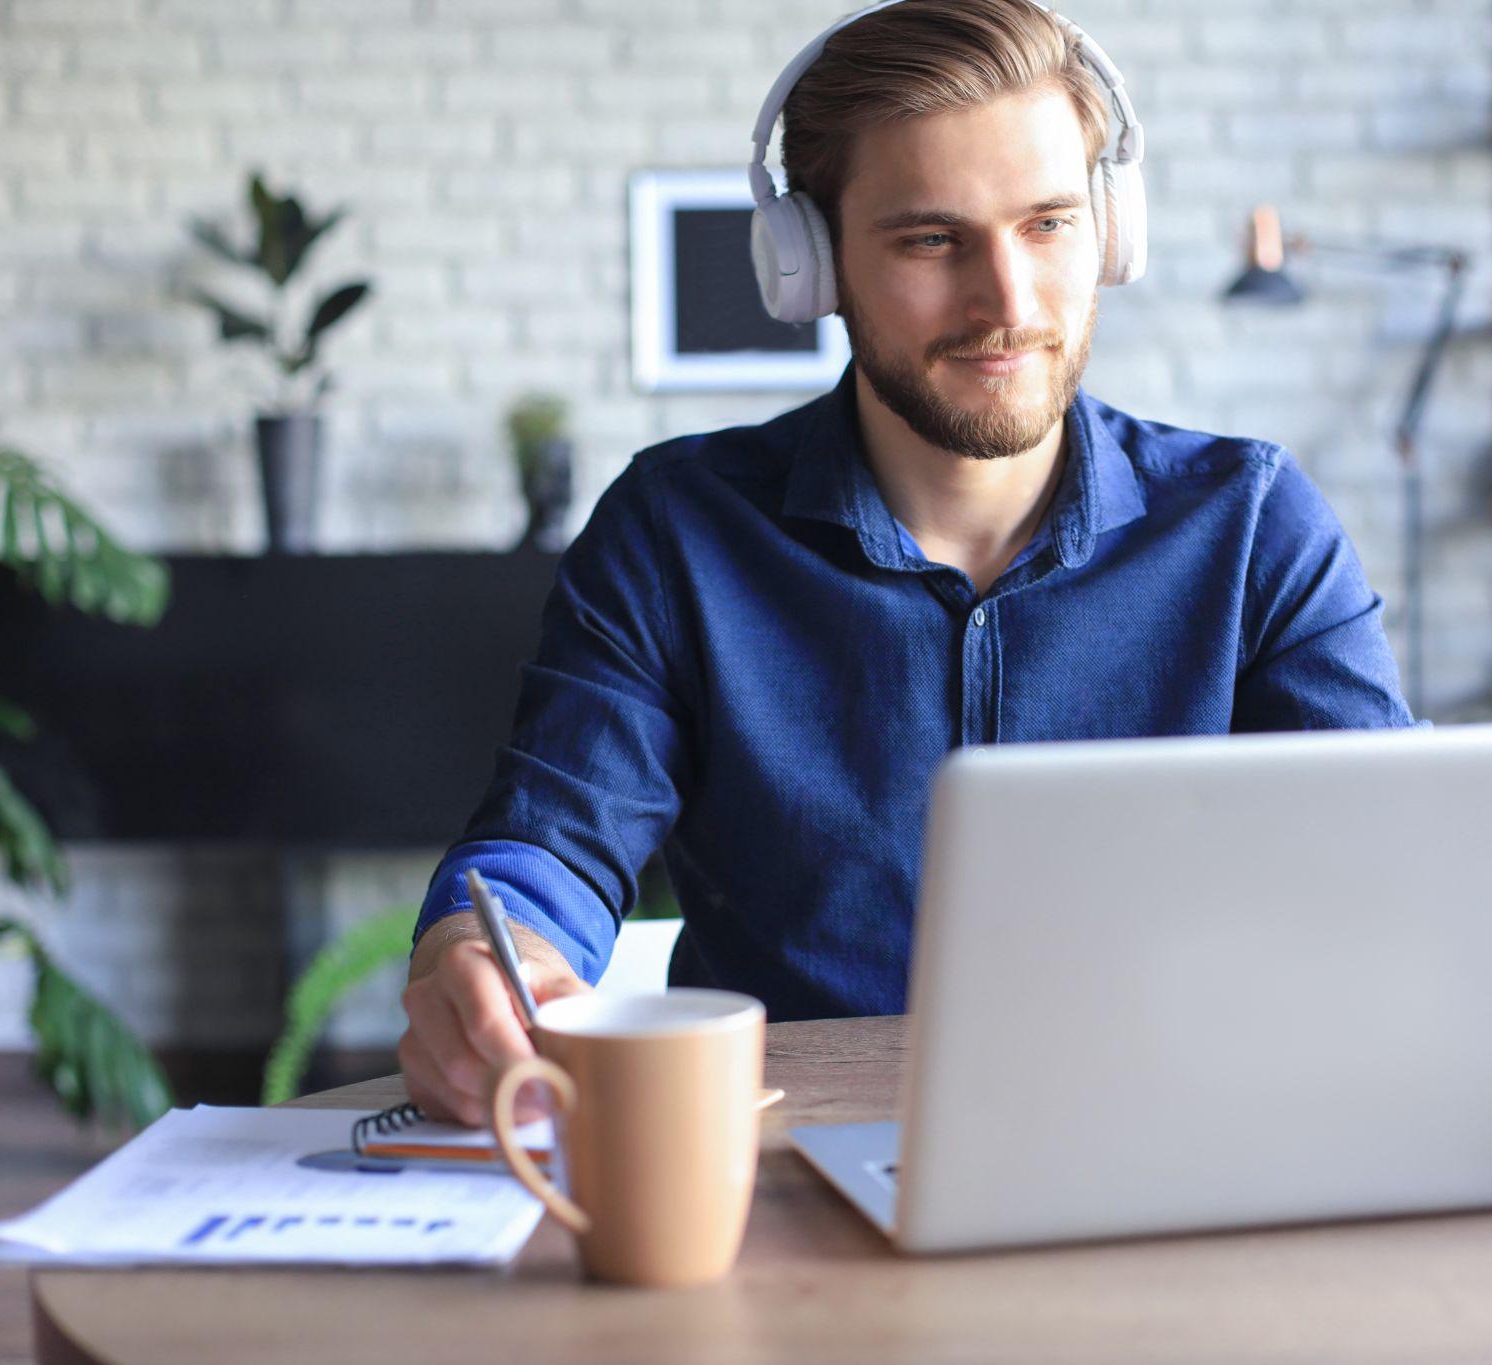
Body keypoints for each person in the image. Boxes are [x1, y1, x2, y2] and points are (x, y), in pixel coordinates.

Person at [400, 0, 1415, 1126]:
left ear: (1110, 231)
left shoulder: (1250, 524)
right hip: (786, 1172)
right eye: (931, 240)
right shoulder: (675, 531)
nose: (1008, 305)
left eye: (1046, 224)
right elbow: (553, 841)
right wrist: (481, 958)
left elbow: (1392, 865)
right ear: (810, 263)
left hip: (1177, 1139)